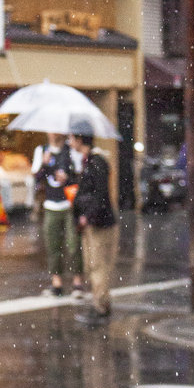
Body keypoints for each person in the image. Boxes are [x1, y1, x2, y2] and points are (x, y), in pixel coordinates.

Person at [69, 117, 117, 328]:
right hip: (91, 223)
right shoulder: (88, 162)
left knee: (99, 266)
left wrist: (86, 215)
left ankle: (101, 308)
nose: (70, 142)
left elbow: (100, 196)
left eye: (72, 137)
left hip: (99, 224)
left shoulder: (97, 163)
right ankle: (100, 304)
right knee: (92, 266)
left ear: (80, 139)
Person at [31, 133, 85, 299]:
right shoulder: (41, 150)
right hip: (50, 204)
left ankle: (77, 283)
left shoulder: (70, 151)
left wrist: (68, 178)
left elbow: (79, 175)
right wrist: (44, 165)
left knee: (73, 244)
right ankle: (57, 283)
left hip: (69, 204)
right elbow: (36, 177)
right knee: (53, 245)